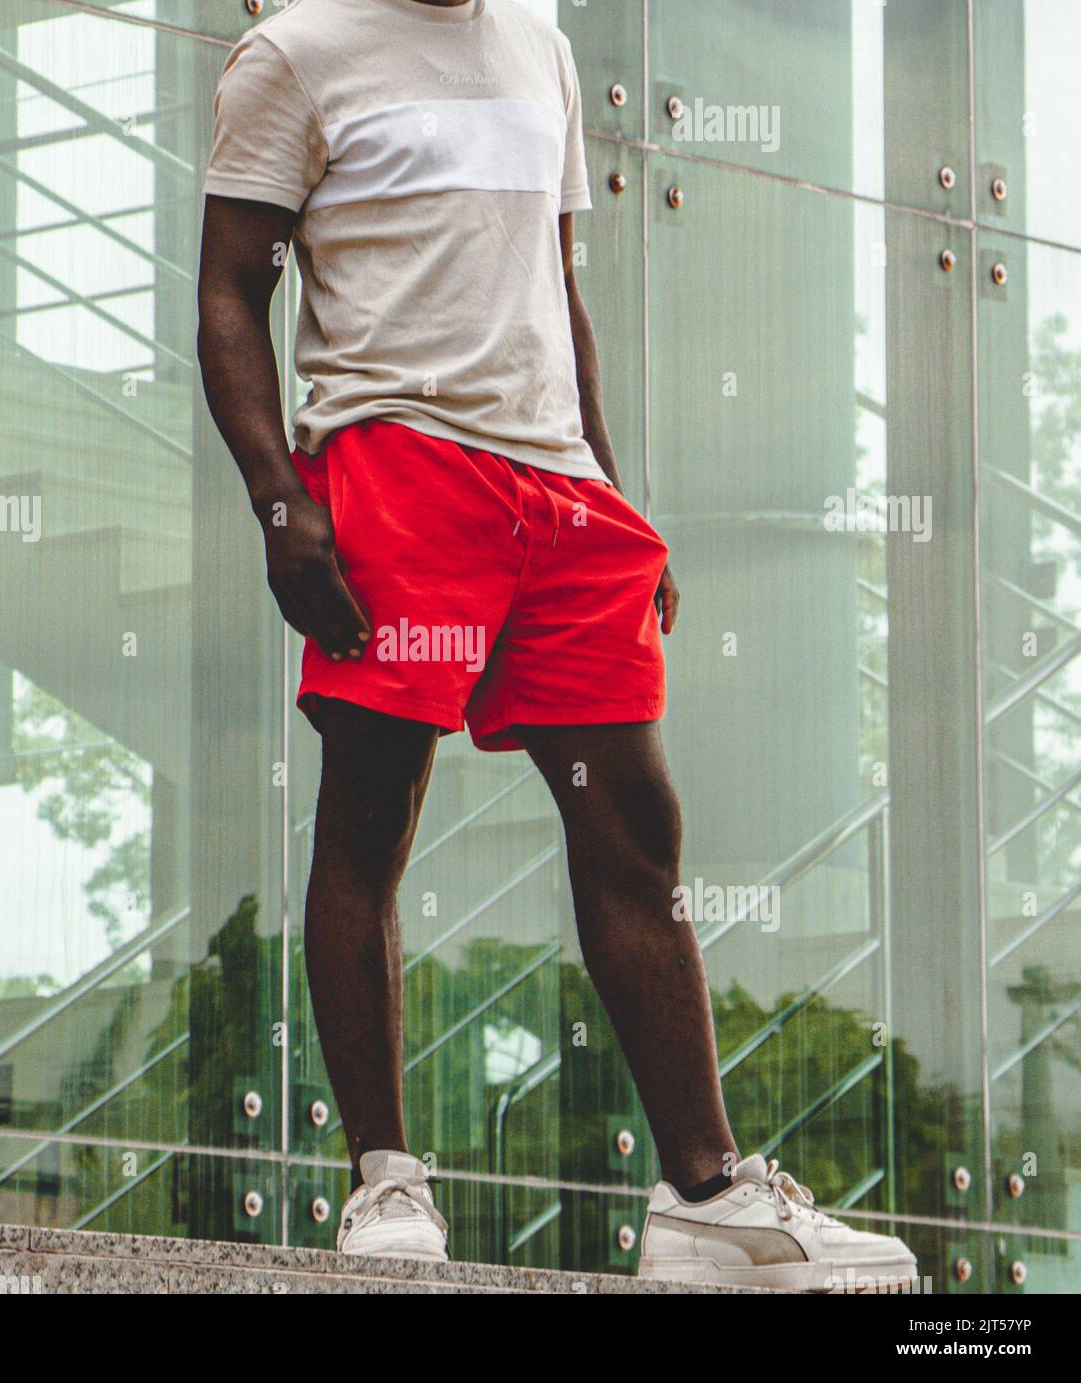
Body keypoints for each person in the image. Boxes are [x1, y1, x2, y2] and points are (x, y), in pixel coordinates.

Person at [197, 0, 917, 1291]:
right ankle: (383, 1187)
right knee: (372, 812)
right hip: (396, 463)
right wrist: (277, 499)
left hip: (557, 489)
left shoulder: (542, 45)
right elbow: (229, 295)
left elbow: (557, 292)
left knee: (637, 826)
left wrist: (611, 494)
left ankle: (703, 1200)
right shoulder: (295, 54)